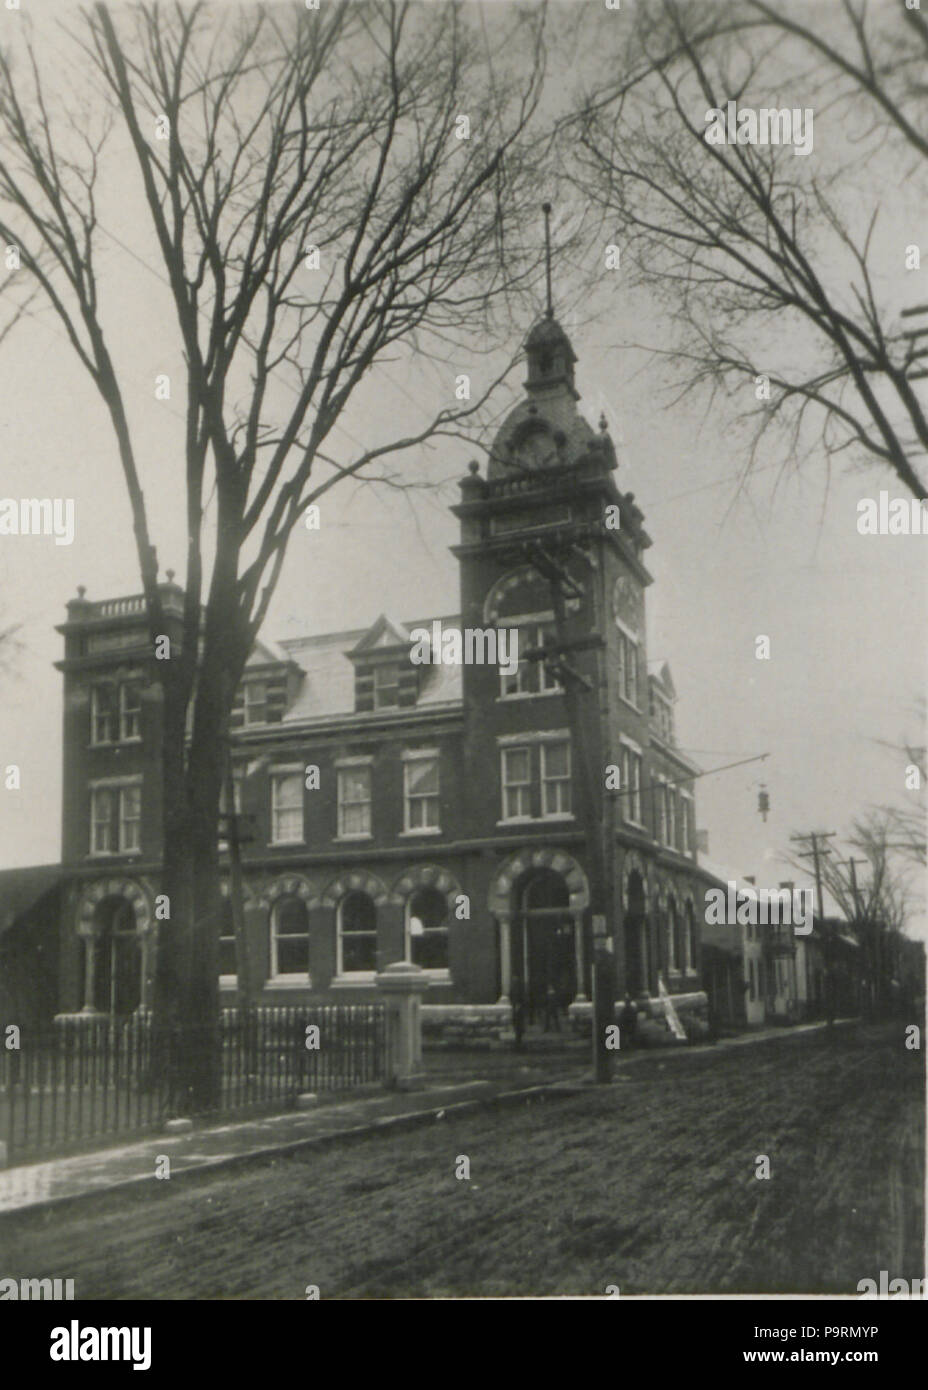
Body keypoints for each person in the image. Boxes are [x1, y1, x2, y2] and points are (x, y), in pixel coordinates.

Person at [510, 973, 526, 1050]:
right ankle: (518, 1040)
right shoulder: (516, 988)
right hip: (516, 1008)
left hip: (517, 1008)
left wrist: (517, 1005)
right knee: (517, 1025)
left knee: (518, 1025)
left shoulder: (516, 988)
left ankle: (518, 1040)